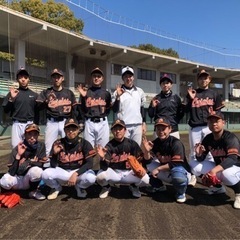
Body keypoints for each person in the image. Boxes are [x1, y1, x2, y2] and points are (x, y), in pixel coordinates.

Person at [190, 112, 240, 209]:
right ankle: (218, 188)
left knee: (227, 174)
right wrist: (199, 154)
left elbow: (232, 159)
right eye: (211, 121)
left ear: (223, 123)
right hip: (221, 166)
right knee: (194, 165)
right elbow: (201, 159)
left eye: (217, 121)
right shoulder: (208, 138)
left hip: (236, 167)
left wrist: (213, 171)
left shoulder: (230, 137)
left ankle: (239, 193)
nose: (214, 124)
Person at [184, 69, 225, 186]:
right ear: (198, 80)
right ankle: (193, 176)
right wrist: (190, 99)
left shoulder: (214, 94)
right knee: (194, 152)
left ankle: (212, 175)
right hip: (195, 127)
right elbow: (185, 110)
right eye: (201, 78)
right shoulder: (192, 92)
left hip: (209, 127)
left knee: (210, 152)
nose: (203, 80)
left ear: (209, 79)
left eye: (205, 78)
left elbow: (219, 111)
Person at [41, 118, 96, 200]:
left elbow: (90, 163)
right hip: (63, 171)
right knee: (45, 174)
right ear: (64, 130)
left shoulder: (85, 143)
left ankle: (80, 187)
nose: (71, 131)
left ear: (78, 130)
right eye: (68, 129)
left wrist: (76, 174)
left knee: (91, 177)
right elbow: (53, 165)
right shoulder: (58, 143)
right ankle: (57, 188)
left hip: (78, 172)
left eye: (73, 129)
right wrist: (55, 154)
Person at [142, 117, 191, 203]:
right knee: (145, 166)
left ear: (170, 129)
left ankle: (180, 192)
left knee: (178, 173)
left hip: (182, 172)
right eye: (158, 129)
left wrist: (158, 169)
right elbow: (147, 161)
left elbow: (176, 164)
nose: (161, 131)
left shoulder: (176, 143)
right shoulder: (155, 143)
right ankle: (159, 186)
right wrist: (146, 151)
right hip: (167, 172)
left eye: (163, 129)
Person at [96, 119, 150, 199]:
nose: (117, 131)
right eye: (115, 129)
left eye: (120, 129)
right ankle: (106, 187)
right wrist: (102, 158)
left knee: (146, 179)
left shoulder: (132, 144)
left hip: (129, 173)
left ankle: (134, 186)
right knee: (100, 176)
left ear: (125, 130)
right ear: (112, 131)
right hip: (114, 173)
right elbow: (104, 168)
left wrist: (146, 152)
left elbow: (143, 160)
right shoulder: (109, 146)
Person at [36, 68, 81, 156]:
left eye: (58, 77)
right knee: (49, 146)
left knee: (70, 144)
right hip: (52, 122)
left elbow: (75, 110)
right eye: (54, 77)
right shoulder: (46, 92)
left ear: (62, 78)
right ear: (52, 79)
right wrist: (46, 101)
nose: (56, 79)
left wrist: (77, 123)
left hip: (65, 122)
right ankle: (49, 166)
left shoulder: (69, 93)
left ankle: (69, 164)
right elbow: (38, 106)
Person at [0, 123, 47, 200]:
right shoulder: (18, 147)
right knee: (4, 181)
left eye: (35, 134)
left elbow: (40, 164)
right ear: (25, 135)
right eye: (29, 134)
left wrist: (28, 162)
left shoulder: (41, 146)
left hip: (27, 180)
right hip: (17, 178)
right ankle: (11, 193)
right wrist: (18, 155)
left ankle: (33, 191)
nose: (32, 137)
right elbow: (12, 172)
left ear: (38, 136)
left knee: (37, 171)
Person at [2, 67, 39, 148]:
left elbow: (37, 111)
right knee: (16, 148)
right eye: (20, 77)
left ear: (29, 79)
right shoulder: (12, 93)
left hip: (30, 124)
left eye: (25, 77)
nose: (23, 79)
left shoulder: (34, 95)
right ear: (17, 79)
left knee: (31, 147)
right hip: (17, 124)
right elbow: (6, 110)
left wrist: (36, 124)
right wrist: (11, 99)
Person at [77, 67, 112, 148]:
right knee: (88, 150)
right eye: (94, 76)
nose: (96, 78)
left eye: (99, 76)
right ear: (91, 78)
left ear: (102, 79)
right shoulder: (85, 92)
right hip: (89, 123)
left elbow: (108, 109)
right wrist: (83, 97)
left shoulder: (106, 93)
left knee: (103, 150)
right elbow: (81, 109)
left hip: (102, 123)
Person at [112, 66, 146, 146]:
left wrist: (143, 123)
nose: (128, 78)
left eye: (130, 76)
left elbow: (142, 108)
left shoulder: (139, 91)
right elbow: (114, 109)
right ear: (123, 78)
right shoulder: (117, 92)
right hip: (124, 125)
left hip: (137, 125)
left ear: (133, 77)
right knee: (124, 149)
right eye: (126, 76)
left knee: (136, 149)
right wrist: (118, 97)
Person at [148, 73, 184, 139]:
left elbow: (181, 113)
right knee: (158, 149)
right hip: (159, 130)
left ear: (171, 84)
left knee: (175, 148)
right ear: (160, 85)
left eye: (167, 83)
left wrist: (174, 122)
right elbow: (150, 115)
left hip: (173, 130)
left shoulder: (176, 98)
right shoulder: (156, 98)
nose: (165, 85)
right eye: (163, 83)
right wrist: (153, 106)